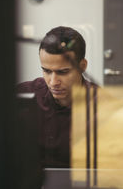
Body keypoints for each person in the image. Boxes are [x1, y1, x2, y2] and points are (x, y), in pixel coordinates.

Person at [16, 26, 97, 169]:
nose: (53, 82)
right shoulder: (24, 95)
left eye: (63, 72)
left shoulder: (101, 106)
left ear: (82, 66)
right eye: (46, 71)